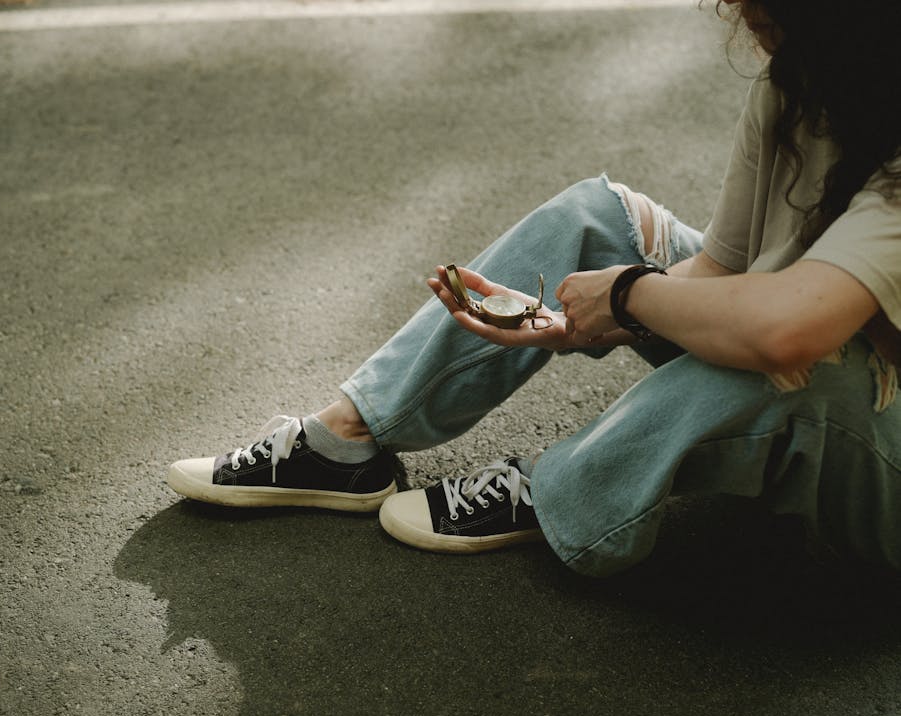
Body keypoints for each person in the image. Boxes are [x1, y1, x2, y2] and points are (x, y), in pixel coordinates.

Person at [168, 0, 901, 576]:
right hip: (816, 356)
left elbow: (784, 329)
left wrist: (625, 298)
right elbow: (721, 269)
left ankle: (561, 489)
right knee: (601, 216)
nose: (737, 11)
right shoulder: (797, 83)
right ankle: (345, 443)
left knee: (791, 355)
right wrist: (583, 323)